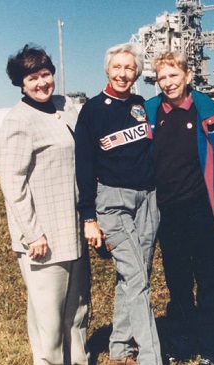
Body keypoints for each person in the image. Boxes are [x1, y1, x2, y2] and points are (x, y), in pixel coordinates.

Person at [0, 44, 90, 365]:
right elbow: (13, 183)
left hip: (73, 229)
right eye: (32, 77)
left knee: (77, 312)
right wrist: (33, 233)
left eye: (46, 74)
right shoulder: (18, 120)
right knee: (48, 320)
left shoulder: (65, 106)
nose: (41, 82)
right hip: (43, 238)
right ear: (21, 83)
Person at [74, 43, 162, 365]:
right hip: (112, 201)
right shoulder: (93, 109)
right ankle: (153, 357)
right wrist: (89, 216)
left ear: (137, 72)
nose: (123, 73)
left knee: (135, 275)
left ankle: (120, 348)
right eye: (118, 67)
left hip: (148, 199)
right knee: (137, 278)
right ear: (107, 69)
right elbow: (83, 166)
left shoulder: (140, 105)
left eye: (129, 68)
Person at [143, 51, 214, 365]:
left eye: (173, 76)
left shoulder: (209, 109)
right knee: (177, 281)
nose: (168, 83)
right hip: (168, 213)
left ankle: (211, 347)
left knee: (208, 280)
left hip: (203, 211)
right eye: (162, 78)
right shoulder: (150, 112)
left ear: (187, 76)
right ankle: (182, 341)